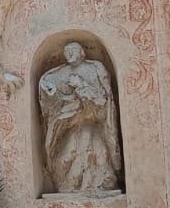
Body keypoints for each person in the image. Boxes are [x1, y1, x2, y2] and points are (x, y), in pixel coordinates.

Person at [38, 41, 122, 192]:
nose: (69, 53)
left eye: (73, 49)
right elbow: (50, 93)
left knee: (95, 149)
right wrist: (50, 91)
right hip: (70, 122)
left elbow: (103, 99)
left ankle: (97, 183)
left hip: (92, 120)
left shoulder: (94, 69)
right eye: (66, 50)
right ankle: (69, 185)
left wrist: (81, 85)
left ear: (82, 52)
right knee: (68, 153)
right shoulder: (60, 73)